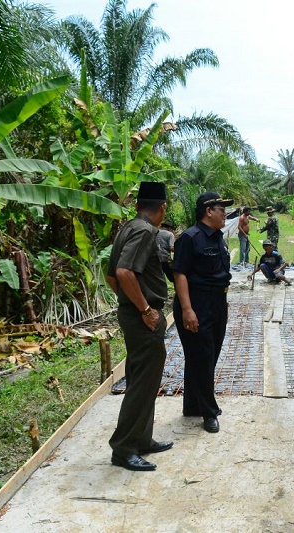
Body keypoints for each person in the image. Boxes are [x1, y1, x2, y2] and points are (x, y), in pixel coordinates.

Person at [106, 181, 173, 472]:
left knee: (141, 379)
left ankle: (142, 438)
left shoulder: (128, 227)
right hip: (145, 318)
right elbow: (123, 272)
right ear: (162, 208)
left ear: (136, 205)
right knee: (142, 383)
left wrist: (127, 301)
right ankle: (123, 449)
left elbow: (111, 276)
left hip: (134, 315)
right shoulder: (146, 232)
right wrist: (144, 309)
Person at [172, 191, 234, 434]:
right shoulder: (190, 238)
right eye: (221, 209)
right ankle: (209, 412)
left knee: (207, 356)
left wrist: (223, 303)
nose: (225, 214)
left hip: (217, 302)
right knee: (203, 357)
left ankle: (193, 405)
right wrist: (187, 309)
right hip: (196, 304)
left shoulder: (218, 238)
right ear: (209, 211)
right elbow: (180, 274)